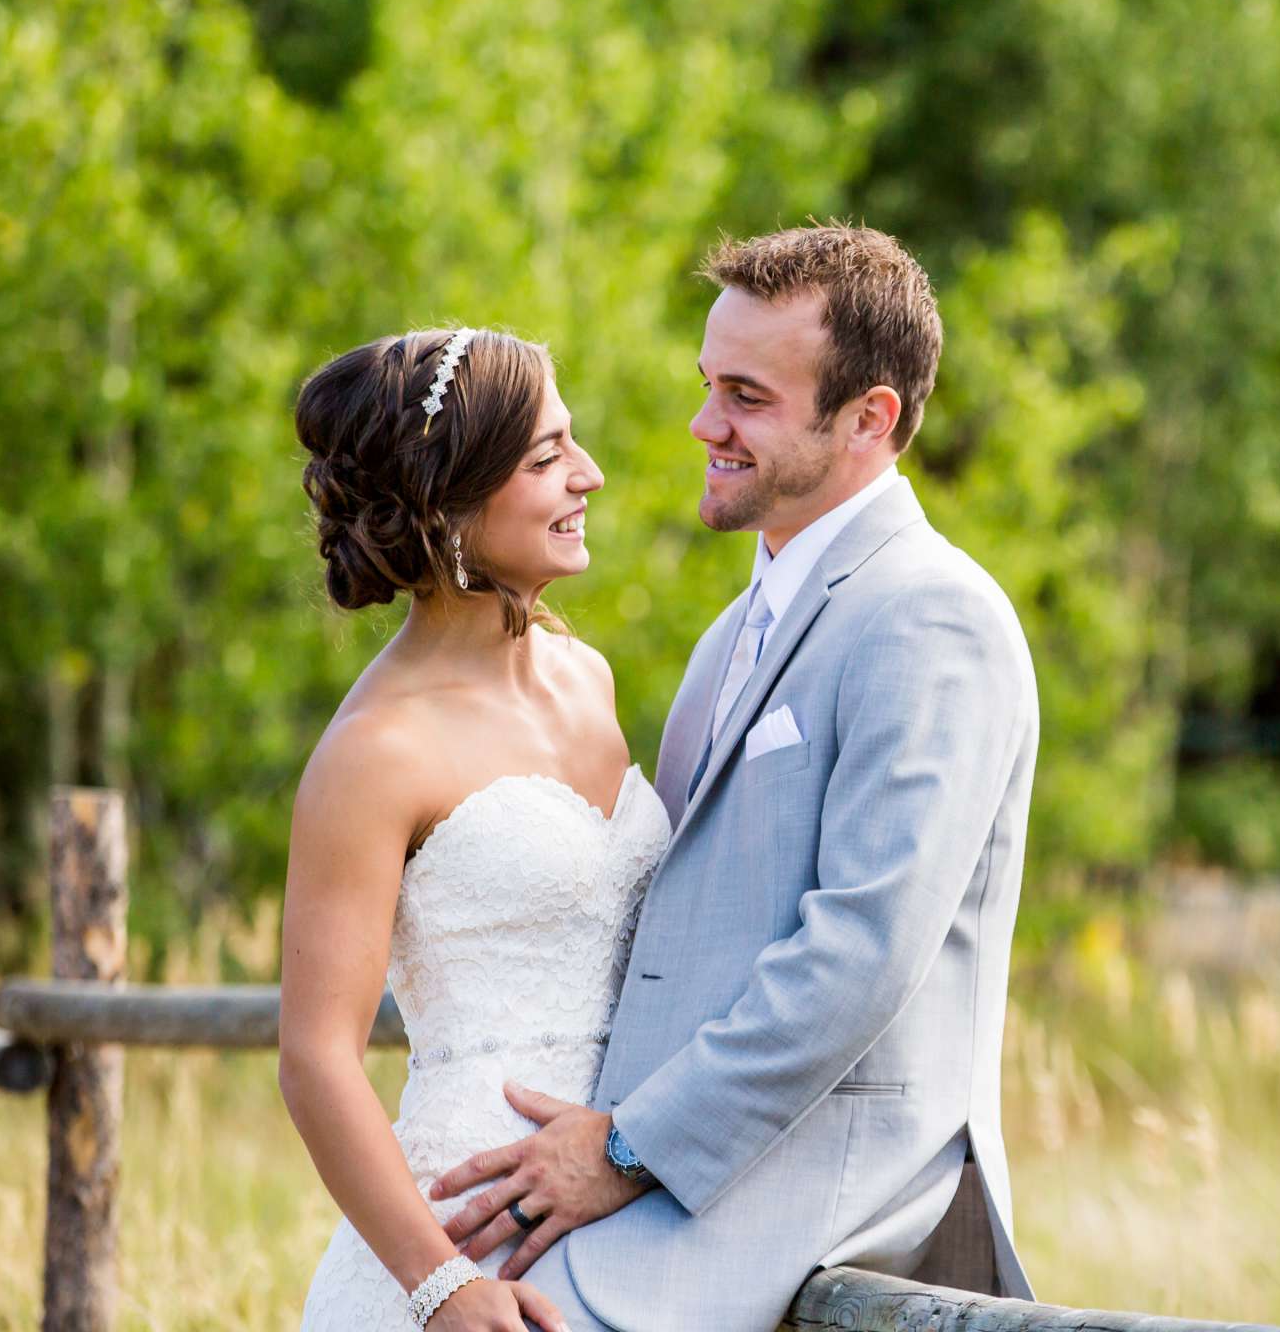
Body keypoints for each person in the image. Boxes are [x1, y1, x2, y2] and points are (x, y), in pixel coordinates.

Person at [422, 225, 1039, 1332]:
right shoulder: (729, 636)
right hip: (661, 1178)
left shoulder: (934, 615)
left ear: (869, 418)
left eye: (747, 396)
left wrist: (624, 1147)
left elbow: (862, 950)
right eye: (709, 385)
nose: (705, 424)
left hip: (815, 1181)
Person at [284, 327, 667, 1332]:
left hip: (634, 1211)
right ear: (448, 497)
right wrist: (439, 1283)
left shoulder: (588, 675)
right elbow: (317, 1056)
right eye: (546, 458)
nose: (586, 475)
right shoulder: (377, 750)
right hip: (466, 1232)